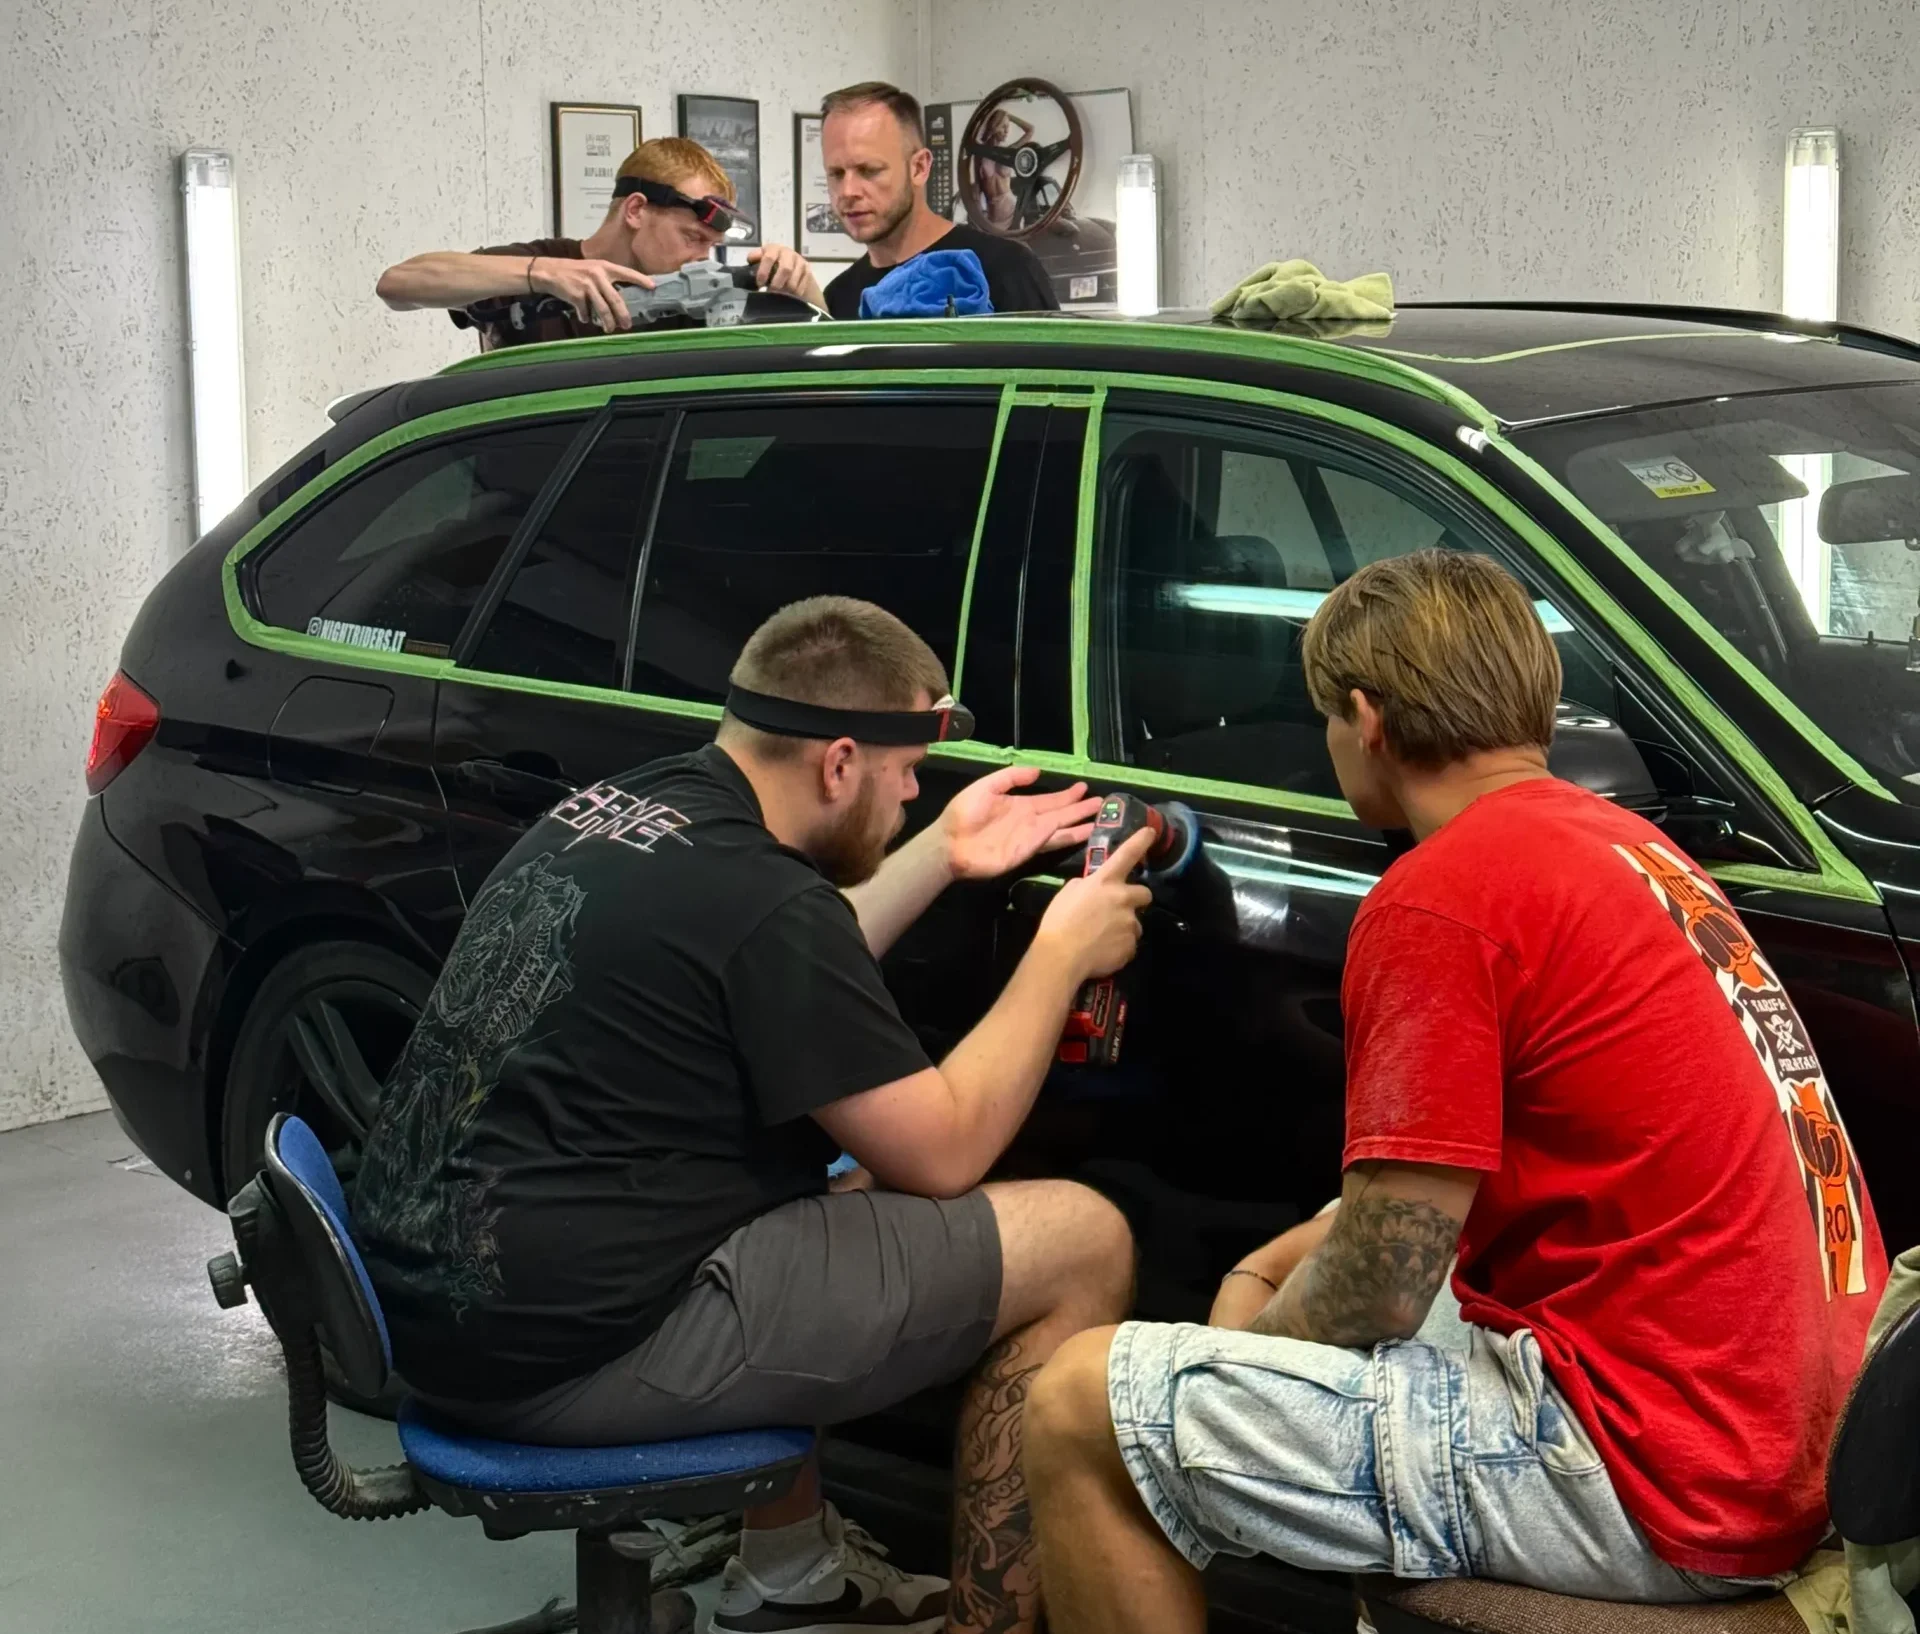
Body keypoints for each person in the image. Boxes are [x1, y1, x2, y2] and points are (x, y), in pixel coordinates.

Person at [1024, 550, 1889, 1633]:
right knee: (1316, 1256)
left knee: (1078, 1401)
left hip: (1664, 1477)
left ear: (1366, 715)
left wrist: (1247, 1340)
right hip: (1811, 1433)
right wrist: (1271, 1278)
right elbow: (1402, 1220)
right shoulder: (1632, 847)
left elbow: (1383, 1286)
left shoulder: (1439, 896)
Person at [353, 596, 1150, 1634]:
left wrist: (945, 854)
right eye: (909, 775)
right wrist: (1061, 950)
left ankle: (789, 1570)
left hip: (443, 1308)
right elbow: (949, 1147)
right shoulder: (766, 900)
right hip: (560, 1361)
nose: (915, 797)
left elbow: (780, 960)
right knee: (1084, 1239)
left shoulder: (640, 811)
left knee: (830, 1176)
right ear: (838, 763)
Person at [375, 136, 821, 349]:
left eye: (710, 243)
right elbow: (397, 285)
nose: (702, 256)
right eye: (692, 237)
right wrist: (542, 275)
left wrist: (800, 287)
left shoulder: (697, 300)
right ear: (635, 211)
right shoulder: (543, 265)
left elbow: (821, 351)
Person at [814, 82, 1059, 320]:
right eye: (836, 174)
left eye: (869, 170)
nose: (847, 191)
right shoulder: (838, 298)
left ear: (919, 168)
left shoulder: (1006, 269)